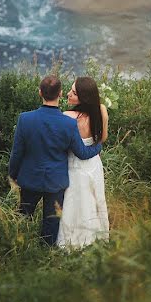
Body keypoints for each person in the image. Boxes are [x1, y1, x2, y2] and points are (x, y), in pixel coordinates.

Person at [8, 75, 102, 246]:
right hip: (55, 182)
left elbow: (17, 153)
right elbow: (81, 153)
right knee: (51, 223)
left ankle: (15, 246)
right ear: (59, 93)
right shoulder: (68, 123)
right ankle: (46, 253)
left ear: (39, 93)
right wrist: (98, 146)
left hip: (29, 179)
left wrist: (13, 175)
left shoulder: (25, 119)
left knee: (21, 217)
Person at [58, 77, 110, 248]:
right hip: (94, 164)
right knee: (95, 199)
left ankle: (72, 240)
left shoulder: (68, 116)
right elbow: (103, 138)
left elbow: (63, 145)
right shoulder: (101, 110)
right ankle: (97, 237)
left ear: (84, 97)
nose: (68, 94)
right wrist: (95, 147)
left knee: (74, 201)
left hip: (74, 163)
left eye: (73, 93)